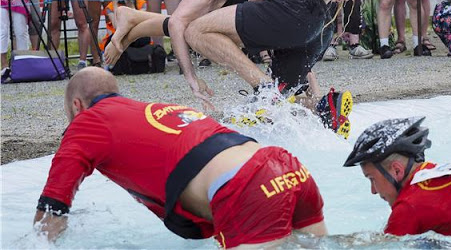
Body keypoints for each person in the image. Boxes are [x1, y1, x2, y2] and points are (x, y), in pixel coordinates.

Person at [103, 0, 381, 136]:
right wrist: (192, 78)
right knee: (190, 24)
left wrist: (315, 93)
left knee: (209, 26)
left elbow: (297, 37)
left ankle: (131, 19)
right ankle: (130, 19)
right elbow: (250, 1)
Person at [33, 67, 328, 247]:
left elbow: (51, 213)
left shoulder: (87, 122)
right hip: (288, 169)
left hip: (244, 186)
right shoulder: (158, 108)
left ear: (76, 105)